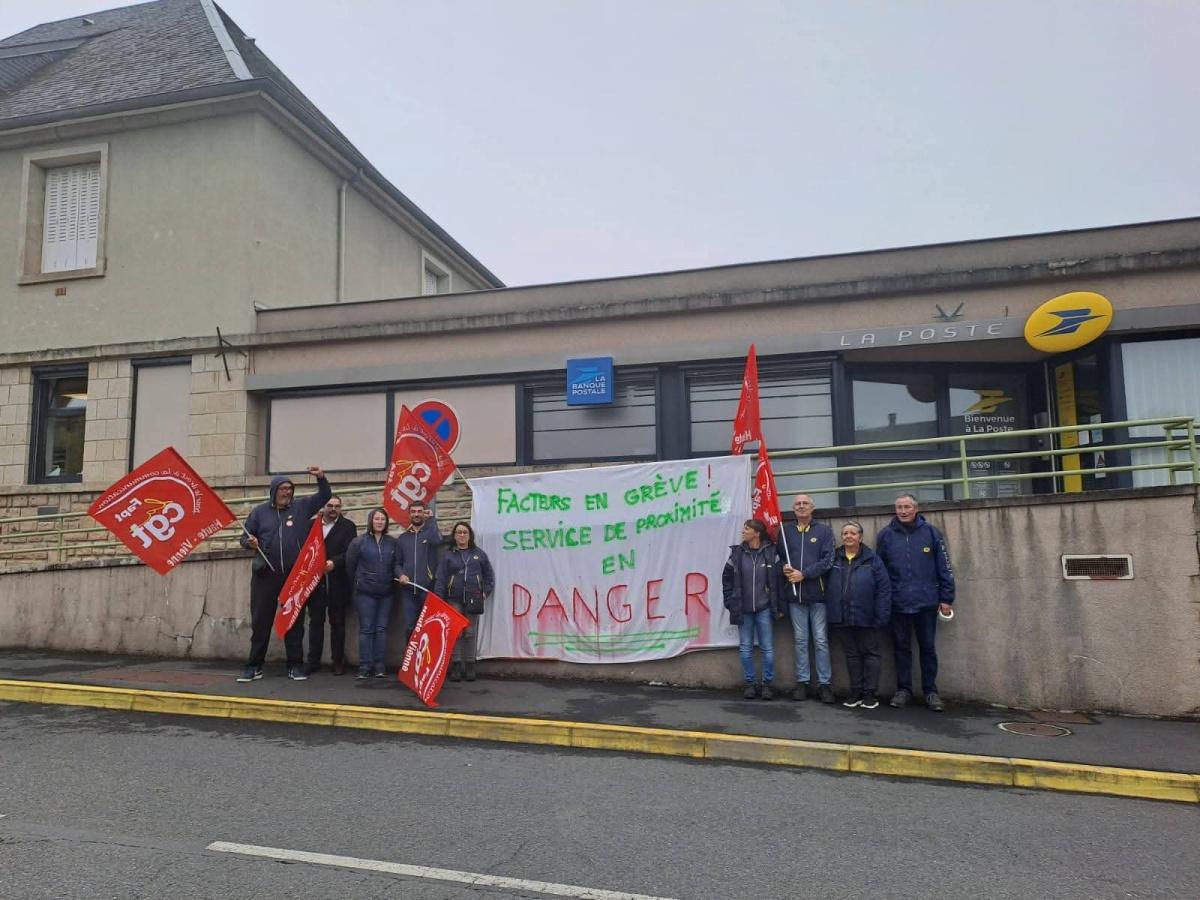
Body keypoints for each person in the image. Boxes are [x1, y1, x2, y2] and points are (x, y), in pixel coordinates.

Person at [237, 467, 331, 683]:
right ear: (274, 491)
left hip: (294, 576)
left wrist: (321, 478)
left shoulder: (301, 507)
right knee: (261, 621)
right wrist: (250, 543)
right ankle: (254, 666)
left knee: (294, 621)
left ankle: (295, 665)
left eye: (290, 488)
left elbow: (325, 496)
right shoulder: (259, 512)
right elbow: (244, 538)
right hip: (265, 576)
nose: (287, 492)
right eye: (283, 489)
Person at [875, 493, 955, 712]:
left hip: (926, 603)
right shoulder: (885, 536)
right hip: (897, 604)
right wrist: (883, 600)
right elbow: (879, 572)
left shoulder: (931, 533)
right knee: (901, 648)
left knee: (927, 648)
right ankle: (904, 690)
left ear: (916, 509)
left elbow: (945, 567)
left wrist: (947, 598)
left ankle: (930, 691)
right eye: (899, 507)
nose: (903, 511)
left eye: (907, 507)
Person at [824, 521, 892, 709]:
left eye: (852, 533)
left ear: (860, 537)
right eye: (845, 533)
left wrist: (881, 615)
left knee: (871, 654)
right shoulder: (834, 559)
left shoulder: (873, 560)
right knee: (851, 655)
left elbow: (884, 589)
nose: (848, 536)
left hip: (868, 617)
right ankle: (856, 691)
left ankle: (870, 693)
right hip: (842, 617)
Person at [777, 494, 836, 703]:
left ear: (813, 507)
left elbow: (828, 560)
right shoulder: (785, 531)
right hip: (795, 596)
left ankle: (824, 684)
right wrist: (784, 567)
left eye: (805, 503)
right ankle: (802, 682)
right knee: (800, 641)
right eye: (798, 504)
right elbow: (779, 557)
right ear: (793, 509)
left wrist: (804, 574)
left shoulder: (824, 531)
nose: (801, 506)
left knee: (820, 640)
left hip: (818, 595)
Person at [722, 519, 786, 700]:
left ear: (757, 533)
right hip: (743, 609)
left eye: (747, 529)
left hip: (764, 608)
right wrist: (730, 602)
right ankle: (750, 684)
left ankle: (767, 685)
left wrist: (780, 606)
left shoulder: (771, 553)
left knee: (767, 648)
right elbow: (726, 579)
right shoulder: (737, 554)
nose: (743, 531)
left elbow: (779, 581)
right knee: (745, 648)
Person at [434, 521, 495, 682]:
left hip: (474, 598)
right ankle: (455, 665)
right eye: (459, 532)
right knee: (456, 632)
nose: (462, 535)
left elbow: (489, 576)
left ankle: (470, 664)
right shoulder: (448, 555)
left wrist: (485, 592)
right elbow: (441, 577)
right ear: (454, 536)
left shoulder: (479, 554)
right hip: (453, 599)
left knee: (470, 632)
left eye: (465, 532)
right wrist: (439, 598)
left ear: (470, 535)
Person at [304, 495, 358, 676]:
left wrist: (334, 562)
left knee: (338, 623)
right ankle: (313, 661)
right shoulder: (312, 525)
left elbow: (350, 552)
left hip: (338, 580)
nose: (333, 509)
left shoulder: (348, 526)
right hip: (315, 581)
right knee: (316, 622)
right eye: (330, 505)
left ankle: (338, 661)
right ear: (323, 507)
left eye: (337, 506)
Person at [345, 508, 400, 679]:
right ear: (371, 521)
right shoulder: (358, 542)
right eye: (377, 519)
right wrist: (359, 583)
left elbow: (396, 564)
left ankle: (379, 666)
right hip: (365, 593)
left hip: (386, 593)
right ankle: (364, 666)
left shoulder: (392, 542)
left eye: (383, 519)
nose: (380, 522)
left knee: (381, 629)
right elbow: (350, 566)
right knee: (367, 629)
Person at [395, 500, 442, 648]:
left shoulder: (430, 533)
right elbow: (397, 563)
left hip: (427, 589)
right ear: (409, 514)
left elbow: (438, 541)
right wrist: (400, 574)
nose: (416, 514)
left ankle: (427, 661)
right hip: (408, 591)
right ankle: (410, 659)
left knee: (428, 627)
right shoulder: (402, 538)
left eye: (419, 511)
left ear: (424, 513)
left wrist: (432, 520)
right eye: (413, 512)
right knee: (410, 627)